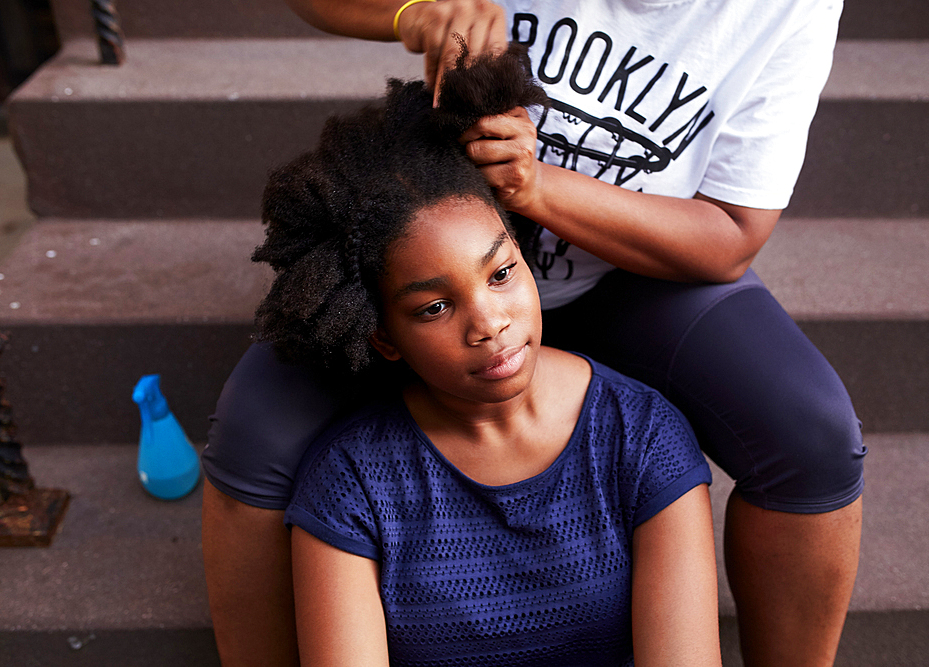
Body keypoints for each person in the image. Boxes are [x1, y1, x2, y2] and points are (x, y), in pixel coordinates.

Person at [203, 0, 866, 665]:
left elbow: (730, 235)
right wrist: (412, 12)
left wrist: (539, 188)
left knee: (813, 435)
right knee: (253, 432)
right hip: (448, 268)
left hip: (627, 275)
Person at [248, 51, 721, 665]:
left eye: (500, 274)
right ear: (384, 338)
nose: (489, 325)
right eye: (434, 309)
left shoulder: (642, 437)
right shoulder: (352, 484)